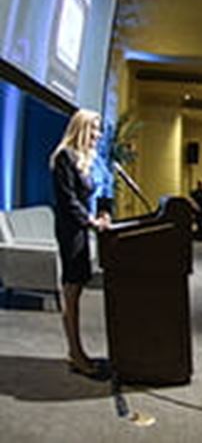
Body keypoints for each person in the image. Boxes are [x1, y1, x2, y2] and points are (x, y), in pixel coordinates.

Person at [51, 109, 111, 377]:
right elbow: (68, 201)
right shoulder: (65, 157)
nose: (98, 134)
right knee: (72, 291)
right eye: (94, 129)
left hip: (83, 229)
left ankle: (78, 353)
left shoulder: (90, 159)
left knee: (77, 289)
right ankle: (76, 355)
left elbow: (101, 190)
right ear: (82, 128)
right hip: (71, 231)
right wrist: (91, 222)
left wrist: (103, 213)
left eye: (99, 129)